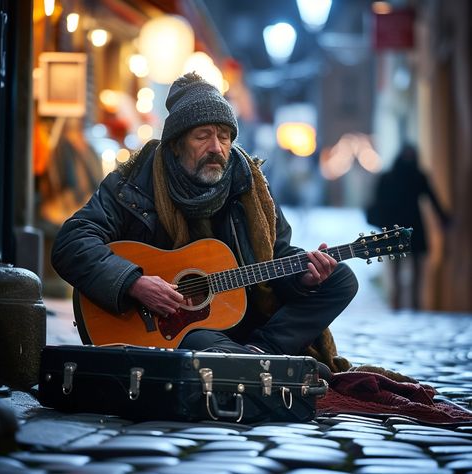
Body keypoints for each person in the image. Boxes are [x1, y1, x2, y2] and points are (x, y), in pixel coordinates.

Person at [51, 72, 358, 367]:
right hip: (185, 331)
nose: (216, 148)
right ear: (176, 143)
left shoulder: (250, 185)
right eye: (203, 136)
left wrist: (303, 279)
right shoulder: (134, 183)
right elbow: (71, 242)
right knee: (197, 344)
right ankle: (257, 363)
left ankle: (261, 352)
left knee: (341, 279)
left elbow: (276, 255)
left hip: (246, 322)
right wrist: (133, 282)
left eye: (224, 137)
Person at [367, 144, 450, 310]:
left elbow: (431, 198)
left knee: (413, 273)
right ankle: (399, 306)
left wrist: (443, 217)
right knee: (400, 272)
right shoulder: (404, 176)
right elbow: (378, 203)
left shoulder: (409, 176)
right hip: (400, 228)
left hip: (409, 228)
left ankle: (410, 307)